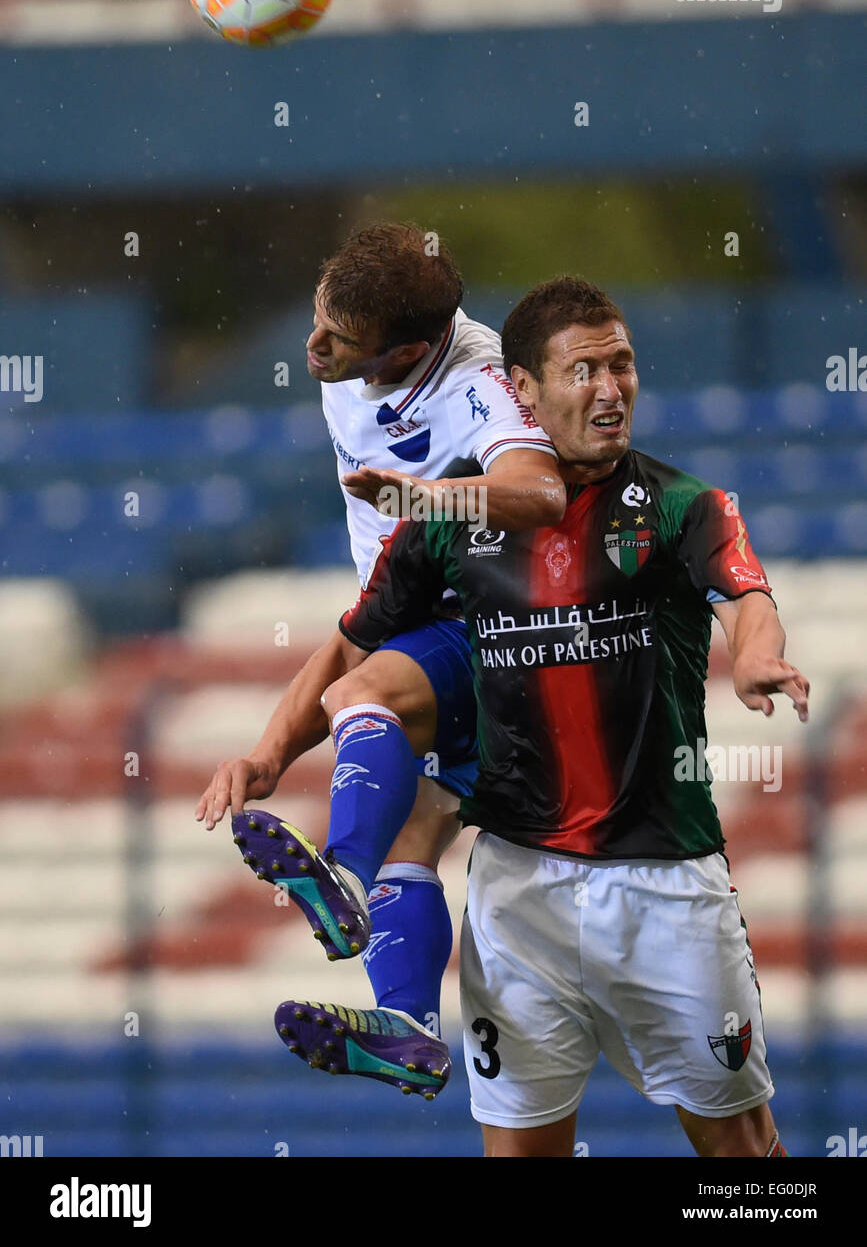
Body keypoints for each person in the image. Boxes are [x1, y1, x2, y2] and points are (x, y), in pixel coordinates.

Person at [262, 274, 809, 1156]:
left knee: (740, 1152)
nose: (609, 389)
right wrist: (266, 755)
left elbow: (745, 591)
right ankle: (373, 937)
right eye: (582, 370)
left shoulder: (680, 504)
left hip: (664, 885)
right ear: (521, 390)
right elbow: (348, 649)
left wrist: (752, 651)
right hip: (517, 886)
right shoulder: (451, 521)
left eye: (621, 366)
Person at [195, 223, 564, 1097]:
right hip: (408, 618)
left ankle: (344, 881)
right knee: (417, 826)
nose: (312, 346)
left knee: (364, 693)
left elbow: (542, 492)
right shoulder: (354, 368)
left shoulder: (476, 379)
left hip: (488, 627)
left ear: (411, 349)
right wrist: (263, 756)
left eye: (339, 339)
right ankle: (409, 1028)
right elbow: (360, 620)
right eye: (318, 319)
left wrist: (421, 496)